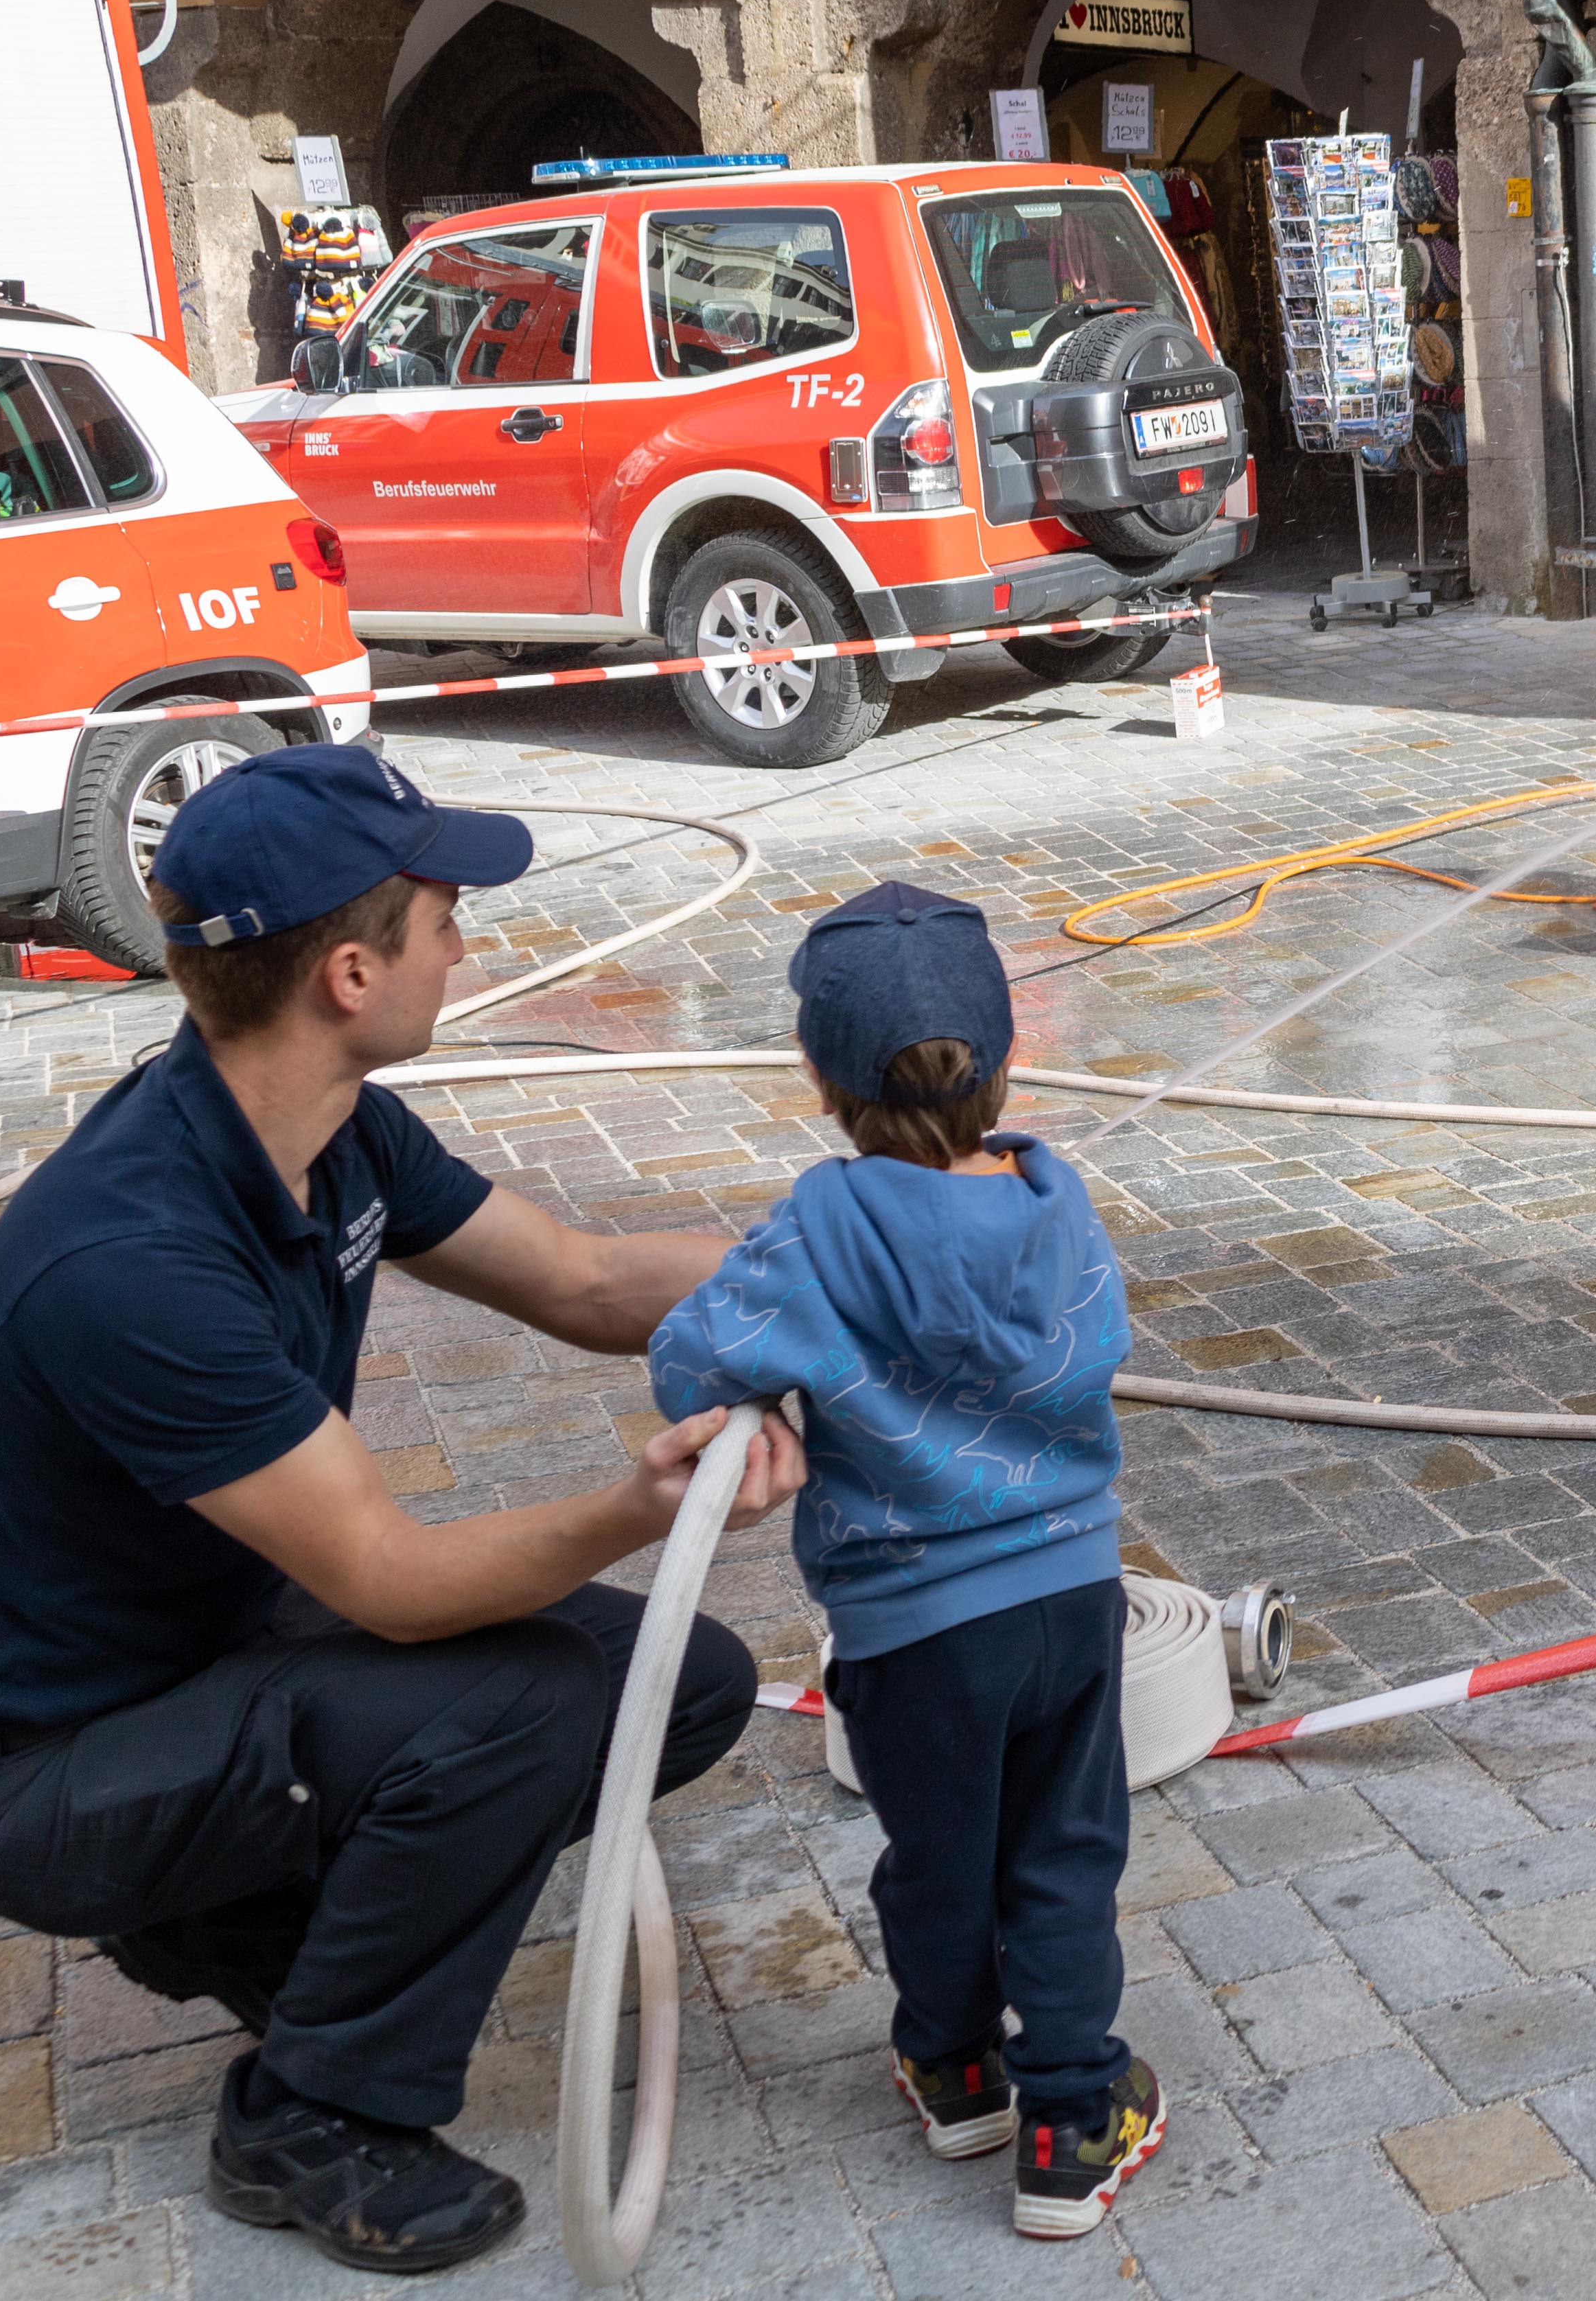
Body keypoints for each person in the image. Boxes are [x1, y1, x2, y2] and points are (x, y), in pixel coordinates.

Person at [0, 744, 802, 2276]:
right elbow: (388, 1577)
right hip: (62, 1760)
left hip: (221, 1648)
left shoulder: (321, 1128)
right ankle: (312, 2111)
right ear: (349, 968)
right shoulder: (131, 1257)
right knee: (515, 1699)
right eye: (445, 915)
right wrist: (637, 1502)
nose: (467, 941)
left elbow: (580, 1280)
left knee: (685, 1683)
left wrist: (830, 1271)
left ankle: (262, 1924)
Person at [644, 880, 1162, 2238]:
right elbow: (1101, 1340)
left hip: (911, 1626)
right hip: (1069, 1591)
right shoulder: (1059, 1198)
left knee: (937, 1849)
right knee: (1063, 1847)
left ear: (817, 1073)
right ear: (1005, 1059)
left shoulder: (815, 1226)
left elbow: (686, 1358)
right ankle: (1071, 2116)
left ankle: (952, 2064)